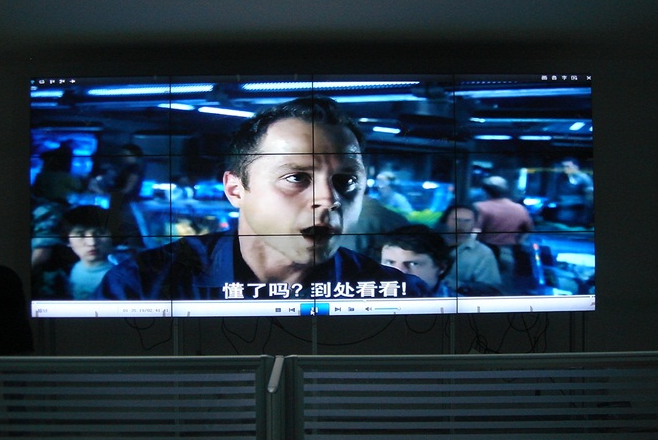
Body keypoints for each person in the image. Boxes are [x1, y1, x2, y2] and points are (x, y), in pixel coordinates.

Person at [94, 97, 432, 300]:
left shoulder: (400, 296)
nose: (329, 199)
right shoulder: (143, 286)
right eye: (296, 178)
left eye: (346, 180)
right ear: (235, 190)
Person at [473, 176, 534, 279]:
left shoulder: (479, 207)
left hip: (484, 251)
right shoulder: (519, 209)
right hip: (509, 252)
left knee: (483, 282)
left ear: (485, 190)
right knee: (505, 283)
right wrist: (518, 241)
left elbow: (474, 231)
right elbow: (528, 230)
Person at [379, 225, 455, 297]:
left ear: (441, 267)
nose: (398, 271)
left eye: (413, 263)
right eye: (390, 263)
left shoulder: (459, 304)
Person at [65, 205, 115, 299]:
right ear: (67, 241)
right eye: (81, 235)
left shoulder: (118, 276)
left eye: (99, 233)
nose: (92, 243)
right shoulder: (73, 268)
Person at [551, 157, 594, 226]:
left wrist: (586, 217)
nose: (565, 168)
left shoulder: (584, 179)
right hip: (561, 211)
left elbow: (589, 199)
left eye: (568, 166)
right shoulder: (561, 178)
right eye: (563, 166)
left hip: (576, 213)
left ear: (576, 167)